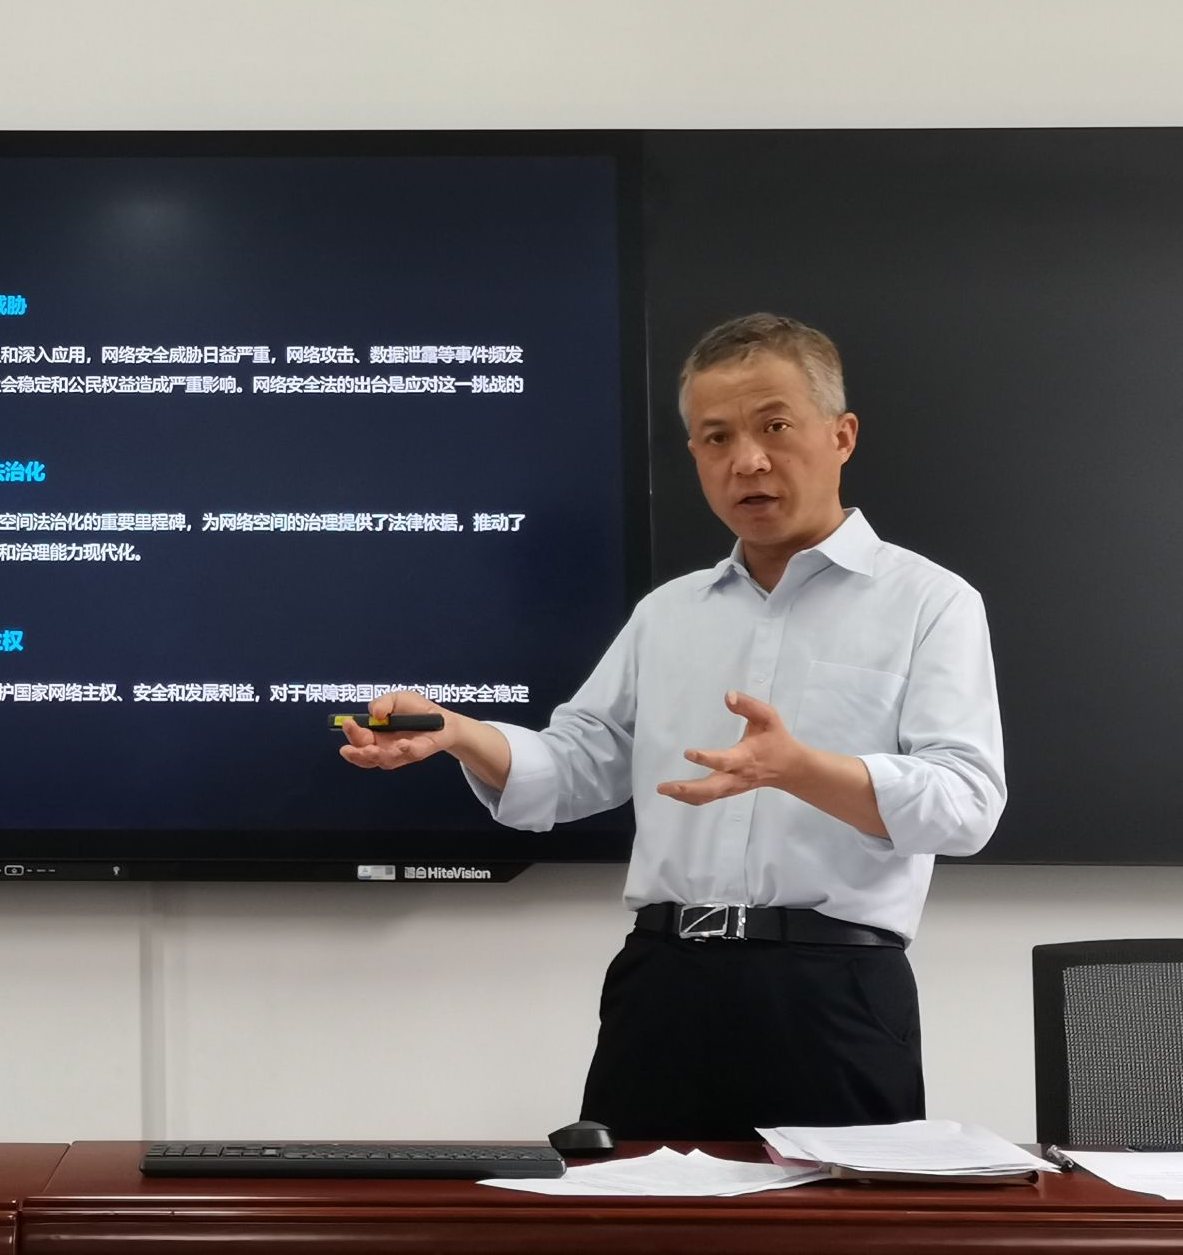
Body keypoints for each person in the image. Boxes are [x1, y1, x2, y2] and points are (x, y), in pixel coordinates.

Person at [340, 313, 1005, 1140]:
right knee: (628, 1205)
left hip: (836, 991)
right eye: (716, 437)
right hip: (663, 981)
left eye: (774, 426)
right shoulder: (668, 614)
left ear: (842, 436)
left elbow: (967, 804)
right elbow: (579, 766)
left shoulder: (930, 602)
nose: (746, 461)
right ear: (695, 454)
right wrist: (459, 733)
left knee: (838, 1212)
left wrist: (798, 768)